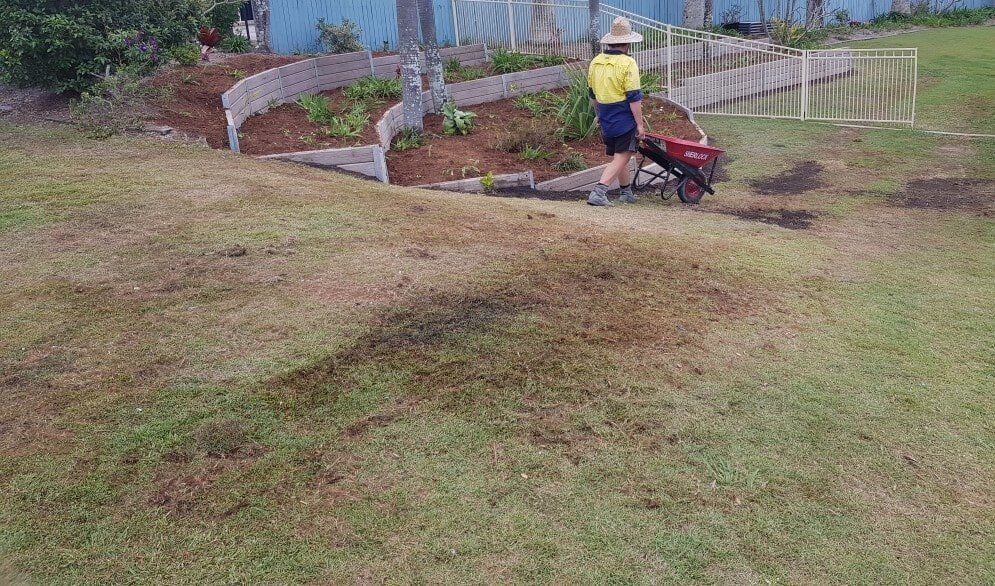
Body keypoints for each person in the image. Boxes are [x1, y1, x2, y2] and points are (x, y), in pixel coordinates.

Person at [586, 17, 645, 207]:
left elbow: (592, 94)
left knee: (619, 155)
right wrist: (640, 125)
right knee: (624, 155)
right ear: (627, 44)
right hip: (623, 115)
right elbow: (634, 97)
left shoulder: (596, 61)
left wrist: (599, 115)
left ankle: (626, 192)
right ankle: (599, 192)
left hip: (605, 113)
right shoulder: (628, 63)